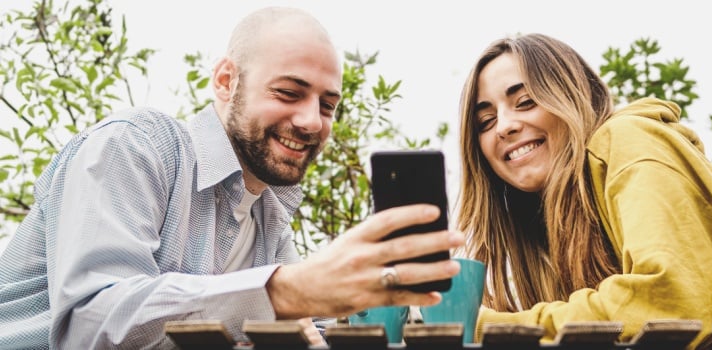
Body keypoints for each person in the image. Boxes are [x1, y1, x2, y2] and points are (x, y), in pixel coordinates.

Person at [0, 7, 463, 349]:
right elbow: (91, 322)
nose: (311, 122)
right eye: (288, 92)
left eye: (327, 105)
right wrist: (289, 288)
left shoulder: (269, 214)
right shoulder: (135, 146)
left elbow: (306, 329)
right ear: (225, 81)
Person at [455, 33, 712, 348]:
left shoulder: (627, 138)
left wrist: (495, 328)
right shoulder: (545, 226)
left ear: (572, 96)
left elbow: (668, 303)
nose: (504, 127)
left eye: (526, 101)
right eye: (485, 122)